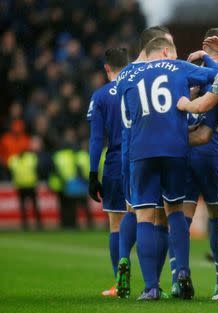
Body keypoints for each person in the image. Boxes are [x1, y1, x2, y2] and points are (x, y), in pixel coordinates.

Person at [124, 37, 217, 300]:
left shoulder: (130, 72)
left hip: (141, 150)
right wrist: (207, 59)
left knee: (144, 216)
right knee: (174, 210)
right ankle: (183, 274)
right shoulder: (180, 67)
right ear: (166, 52)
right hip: (175, 149)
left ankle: (151, 287)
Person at [115, 26, 174, 300]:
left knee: (139, 212)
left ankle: (142, 276)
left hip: (134, 151)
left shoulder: (125, 74)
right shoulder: (166, 71)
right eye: (167, 45)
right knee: (157, 215)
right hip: (164, 147)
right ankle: (156, 280)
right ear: (156, 46)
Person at [176, 28, 218, 299]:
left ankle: (179, 277)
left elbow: (204, 132)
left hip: (194, 156)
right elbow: (206, 134)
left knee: (180, 219)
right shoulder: (213, 84)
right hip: (208, 156)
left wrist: (173, 140)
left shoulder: (202, 84)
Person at [87, 47, 129, 297]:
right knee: (151, 220)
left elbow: (95, 139)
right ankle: (154, 283)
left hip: (115, 162)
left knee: (116, 224)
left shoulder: (101, 95)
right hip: (142, 158)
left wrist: (93, 174)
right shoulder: (139, 85)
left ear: (107, 68)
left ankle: (119, 282)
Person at [7, 136, 43, 230]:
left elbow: (38, 169)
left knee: (34, 206)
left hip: (30, 185)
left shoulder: (29, 158)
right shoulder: (14, 159)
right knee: (24, 207)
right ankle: (26, 224)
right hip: (21, 186)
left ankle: (38, 223)